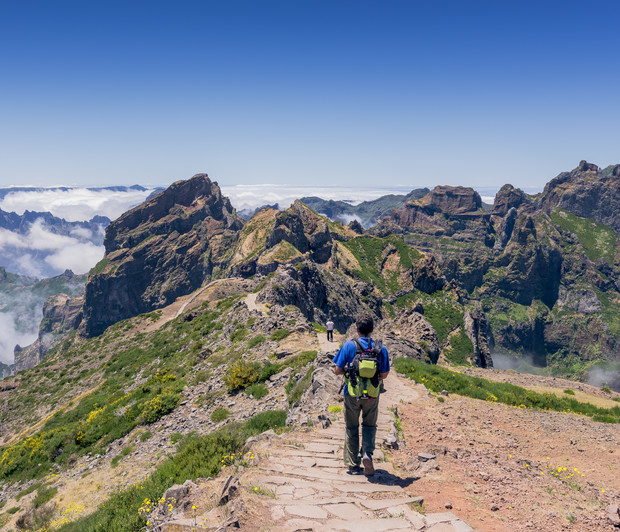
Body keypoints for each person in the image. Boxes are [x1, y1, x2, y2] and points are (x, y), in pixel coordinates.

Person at [332, 314, 389, 476]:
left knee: (351, 427)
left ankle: (352, 464)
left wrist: (348, 371)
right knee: (369, 425)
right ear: (372, 330)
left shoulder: (349, 346)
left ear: (357, 329)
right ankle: (366, 454)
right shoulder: (380, 348)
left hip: (352, 393)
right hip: (372, 394)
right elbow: (384, 375)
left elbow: (337, 370)